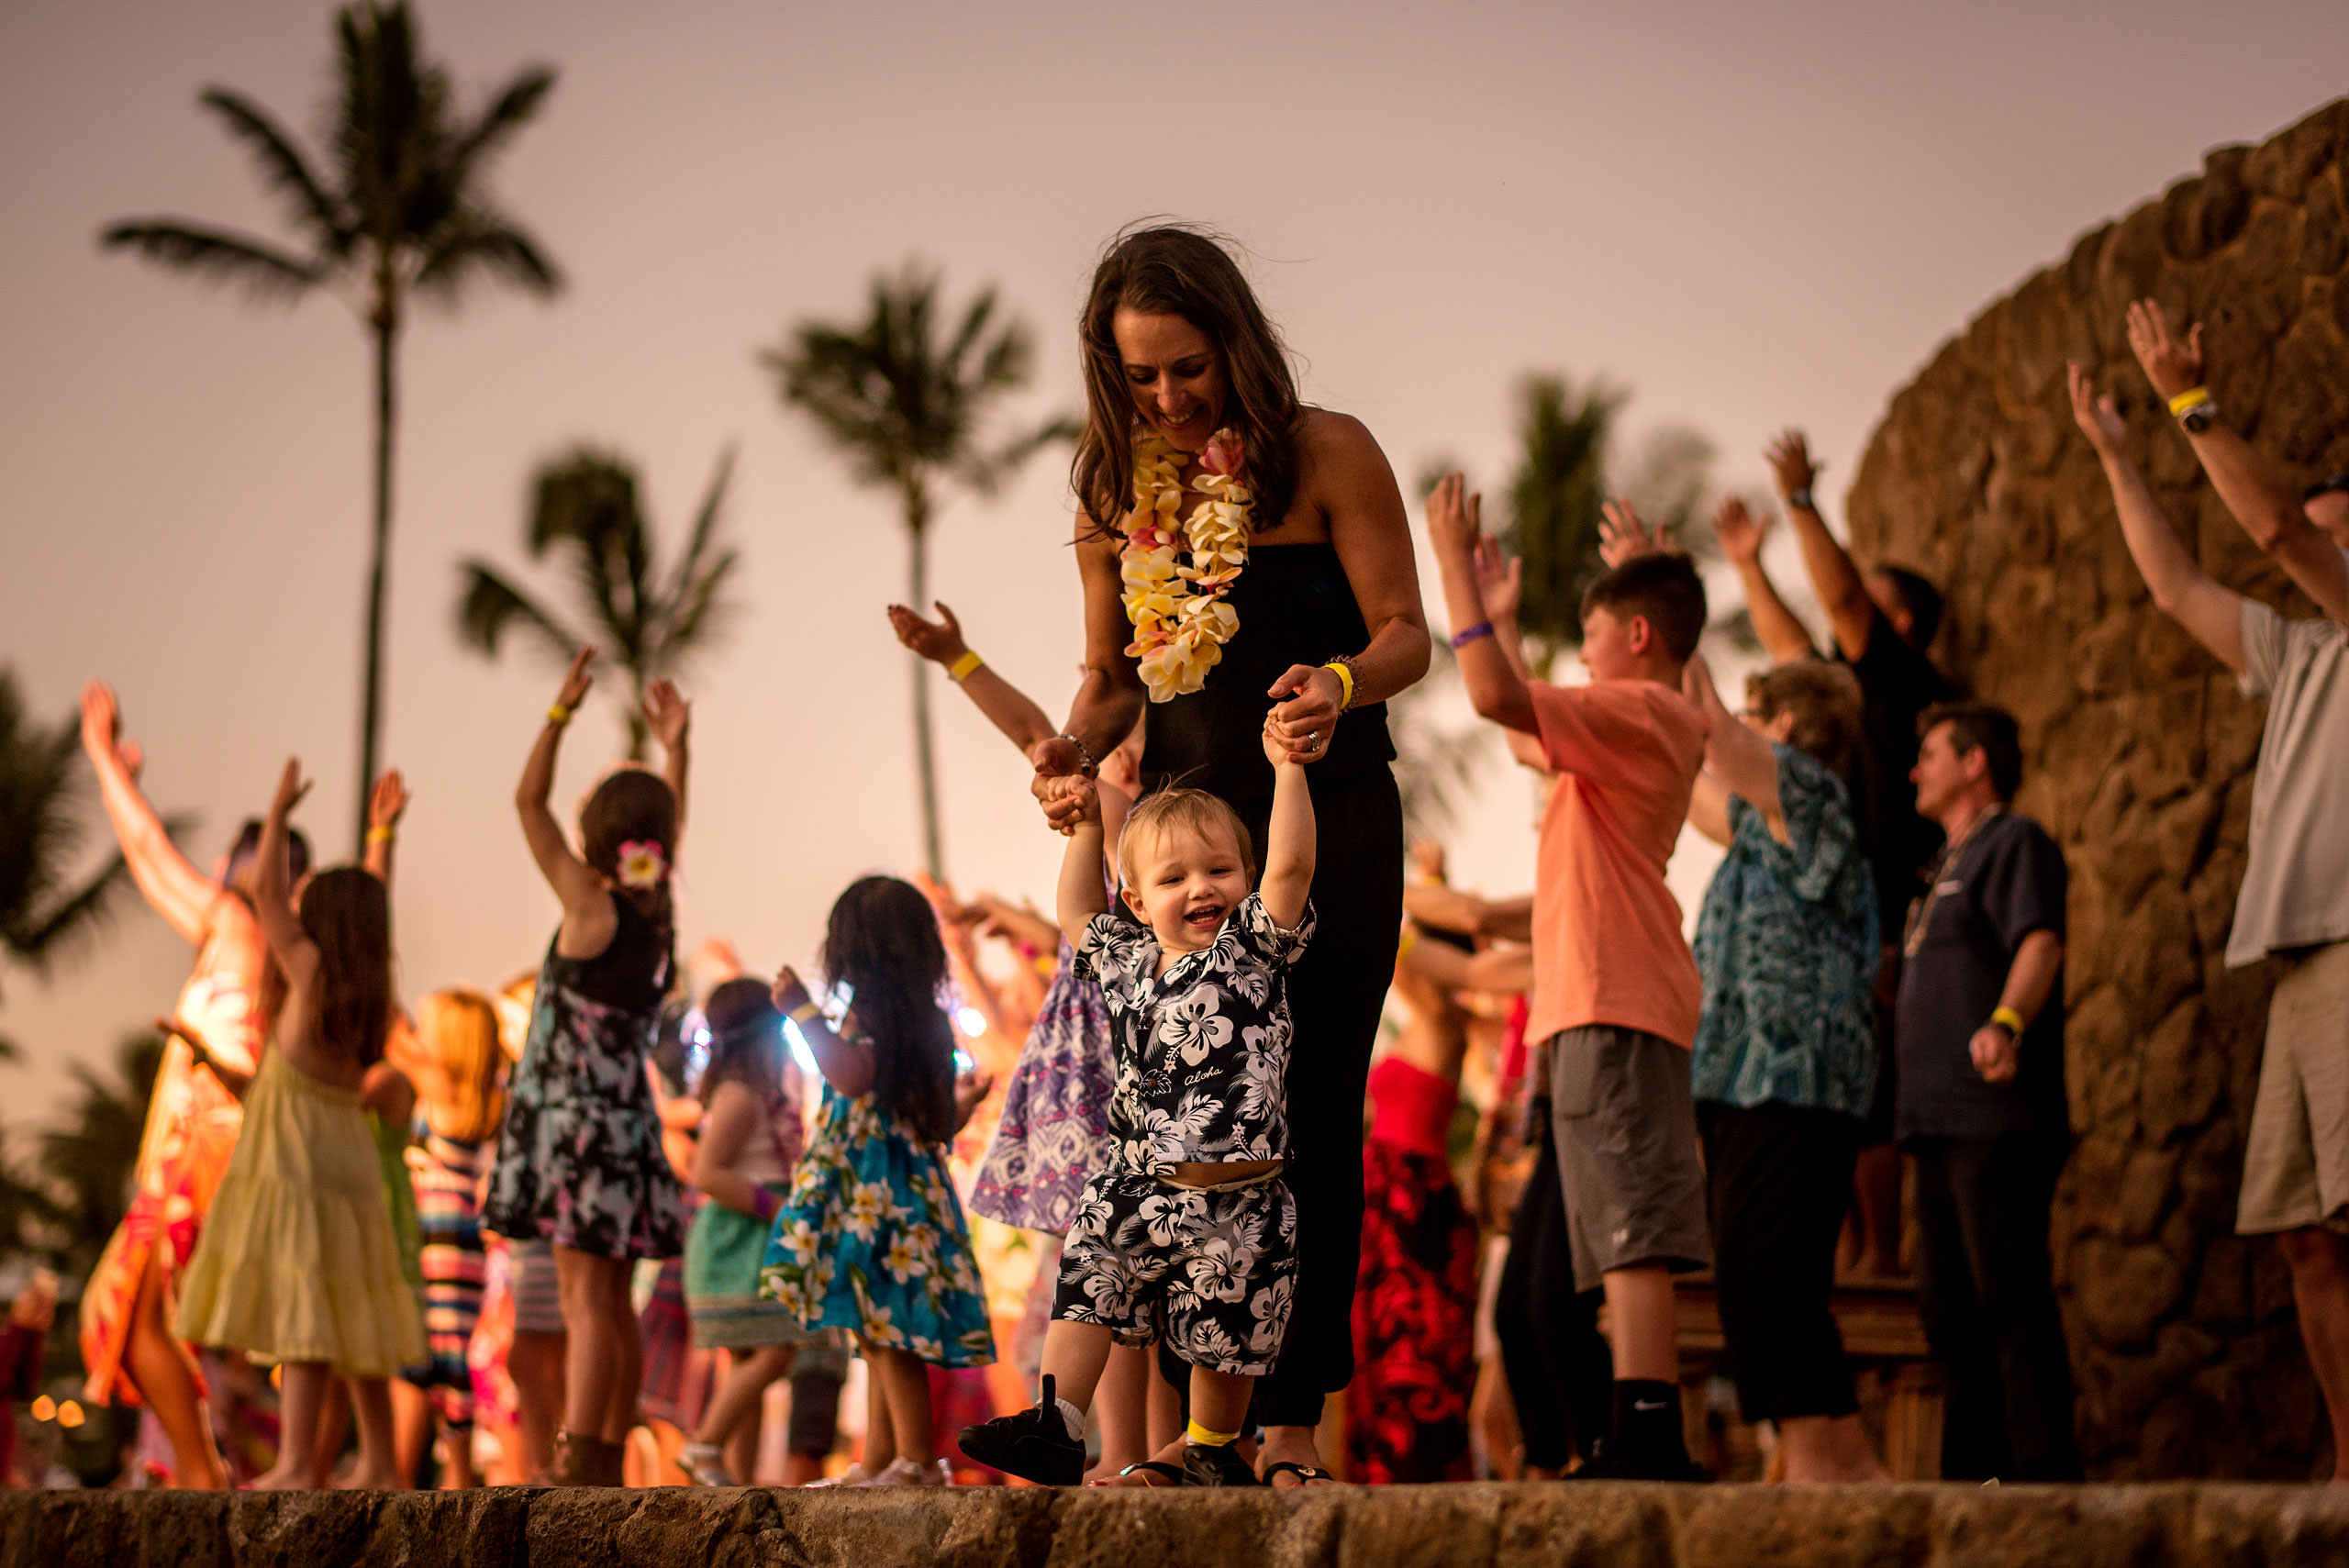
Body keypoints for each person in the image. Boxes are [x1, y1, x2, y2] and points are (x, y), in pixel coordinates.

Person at [1030, 225, 1430, 1486]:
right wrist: (1066, 751)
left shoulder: (1327, 454)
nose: (1166, 397)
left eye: (1188, 368)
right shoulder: (1110, 489)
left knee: (1310, 1114)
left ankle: (1294, 1426)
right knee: (1166, 1129)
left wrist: (1343, 681)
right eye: (1140, 376)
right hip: (1188, 853)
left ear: (1237, 340)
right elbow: (1108, 683)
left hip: (1333, 823)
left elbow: (1410, 635)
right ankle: (1181, 1440)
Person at [2072, 335, 2349, 1478]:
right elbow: (2174, 587)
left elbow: (2277, 529)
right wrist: (2115, 457)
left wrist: (2190, 399)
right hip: (2294, 957)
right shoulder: (2294, 651)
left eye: (2336, 529)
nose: (2305, 544)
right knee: (2303, 1236)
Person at [1426, 476, 1711, 1479]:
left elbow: (1498, 697)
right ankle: (1633, 1426)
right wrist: (1497, 618)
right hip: (1600, 999)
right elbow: (1519, 730)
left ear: (1635, 636)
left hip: (1615, 994)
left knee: (1631, 1220)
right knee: (1613, 1225)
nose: (1581, 657)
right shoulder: (1629, 725)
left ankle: (1646, 1429)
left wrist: (1451, 567)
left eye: (1589, 636)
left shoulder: (1639, 710)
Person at [959, 716, 1315, 1489]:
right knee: (1087, 1277)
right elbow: (1077, 913)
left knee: (1227, 1333)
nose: (1201, 888)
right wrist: (1083, 825)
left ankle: (1214, 1447)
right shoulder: (1125, 961)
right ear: (1138, 899)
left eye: (1220, 870)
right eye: (1174, 879)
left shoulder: (1251, 950)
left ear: (1246, 880)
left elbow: (1290, 869)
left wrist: (1289, 772)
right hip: (1134, 1186)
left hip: (1240, 1199)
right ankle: (1060, 1421)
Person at [888, 599, 1162, 1478]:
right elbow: (1042, 735)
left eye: (1119, 742)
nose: (1099, 756)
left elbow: (1040, 736)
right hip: (1101, 1060)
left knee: (1126, 1284)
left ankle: (1131, 1451)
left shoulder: (1140, 821)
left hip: (1109, 1065)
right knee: (1130, 1287)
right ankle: (1134, 1451)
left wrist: (960, 660)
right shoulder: (1134, 825)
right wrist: (959, 659)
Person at [73, 683, 320, 1489]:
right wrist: (123, 777)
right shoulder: (264, 951)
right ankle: (198, 1463)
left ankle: (200, 1469)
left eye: (222, 863)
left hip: (202, 1147)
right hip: (219, 1150)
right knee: (133, 1315)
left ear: (242, 869)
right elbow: (149, 866)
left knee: (129, 1314)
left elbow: (148, 850)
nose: (208, 873)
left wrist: (102, 755)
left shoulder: (239, 927)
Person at [1721, 433, 1957, 1278]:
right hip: (1839, 931)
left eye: (1864, 604)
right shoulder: (1847, 698)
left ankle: (1882, 1257)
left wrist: (1798, 500)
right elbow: (1795, 650)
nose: (1837, 616)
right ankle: (1859, 1252)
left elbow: (1846, 603)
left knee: (1878, 1102)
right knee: (1856, 1100)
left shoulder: (1904, 684)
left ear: (1899, 624)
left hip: (1886, 926)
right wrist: (1749, 565)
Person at [173, 760, 426, 1490]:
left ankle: (293, 1463)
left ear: (326, 922)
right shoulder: (368, 985)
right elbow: (372, 901)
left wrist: (278, 810)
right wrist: (382, 833)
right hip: (345, 1156)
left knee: (309, 1318)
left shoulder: (309, 967)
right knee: (356, 1310)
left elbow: (263, 892)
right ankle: (378, 1459)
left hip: (299, 1161)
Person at [482, 648, 692, 1486]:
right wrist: (677, 750)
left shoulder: (590, 904)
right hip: (625, 1127)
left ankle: (580, 1461)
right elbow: (674, 830)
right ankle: (601, 1452)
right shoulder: (656, 919)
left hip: (574, 1128)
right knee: (612, 1301)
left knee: (584, 1303)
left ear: (597, 838)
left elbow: (526, 802)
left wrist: (560, 714)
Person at [1681, 656, 1888, 1482]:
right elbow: (1696, 777)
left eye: (1752, 709)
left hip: (1795, 1078)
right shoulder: (1759, 832)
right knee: (1769, 1280)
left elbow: (1718, 746)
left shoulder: (1813, 795)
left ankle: (1814, 1469)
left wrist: (1679, 650)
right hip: (1743, 1081)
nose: (1734, 718)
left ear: (1787, 728)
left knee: (1768, 1277)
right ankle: (1854, 1469)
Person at [762, 877, 996, 1487]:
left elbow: (850, 1073)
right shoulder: (928, 1024)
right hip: (903, 1192)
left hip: (875, 1195)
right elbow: (938, 1124)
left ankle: (917, 1458)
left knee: (888, 1329)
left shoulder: (868, 1018)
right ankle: (878, 1460)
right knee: (880, 1328)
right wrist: (965, 1105)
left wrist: (803, 1012)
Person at [1898, 701, 2080, 1481]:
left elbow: (2040, 937)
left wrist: (2005, 1020)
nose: (1915, 768)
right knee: (1946, 1307)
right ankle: (1972, 1482)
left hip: (1993, 1117)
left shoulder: (2014, 841)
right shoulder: (1937, 867)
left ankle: (2042, 1479)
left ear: (1976, 762)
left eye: (1931, 753)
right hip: (1932, 1123)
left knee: (2006, 1294)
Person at [680, 978, 809, 1486]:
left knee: (748, 1361)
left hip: (757, 1235)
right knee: (775, 1351)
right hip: (741, 1238)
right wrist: (774, 1204)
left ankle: (736, 1477)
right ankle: (705, 1443)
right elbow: (707, 1172)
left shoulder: (758, 1094)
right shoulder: (740, 1098)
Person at [395, 988, 506, 1489]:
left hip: (437, 1244)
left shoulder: (438, 1088)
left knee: (420, 1357)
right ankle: (454, 1481)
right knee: (452, 1360)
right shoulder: (486, 1096)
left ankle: (398, 1478)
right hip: (463, 1248)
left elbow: (388, 1029)